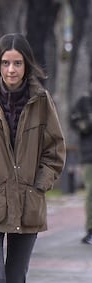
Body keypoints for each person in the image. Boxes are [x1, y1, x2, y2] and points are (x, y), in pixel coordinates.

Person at [0, 33, 66, 283]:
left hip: (29, 203)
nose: (11, 70)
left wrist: (40, 184)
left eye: (17, 63)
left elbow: (55, 150)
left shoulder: (41, 101)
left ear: (26, 65)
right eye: (5, 63)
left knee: (16, 278)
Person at [70, 91, 92, 245]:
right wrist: (87, 123)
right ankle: (91, 230)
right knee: (91, 193)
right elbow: (74, 122)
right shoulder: (84, 101)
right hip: (90, 155)